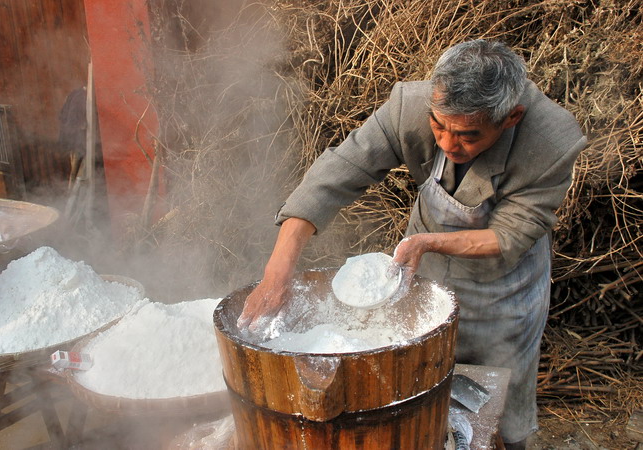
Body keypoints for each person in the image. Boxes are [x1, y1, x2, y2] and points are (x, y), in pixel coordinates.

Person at [238, 40, 587, 448]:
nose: (446, 144)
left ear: (511, 118)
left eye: (467, 136)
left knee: (496, 404)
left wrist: (425, 241)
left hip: (503, 288)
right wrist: (278, 269)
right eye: (438, 126)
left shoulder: (551, 141)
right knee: (418, 383)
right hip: (422, 270)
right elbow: (338, 172)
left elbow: (510, 234)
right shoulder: (410, 104)